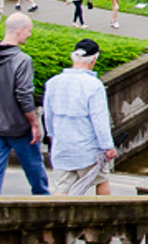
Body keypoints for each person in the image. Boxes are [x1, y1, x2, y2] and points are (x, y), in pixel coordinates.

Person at [0, 13, 49, 195]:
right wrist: (34, 123)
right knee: (34, 169)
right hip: (18, 126)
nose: (30, 35)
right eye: (29, 31)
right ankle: (44, 203)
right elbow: (24, 96)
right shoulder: (22, 60)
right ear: (19, 31)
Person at [44, 38, 117, 195]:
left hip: (62, 146)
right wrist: (108, 146)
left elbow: (48, 117)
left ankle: (60, 218)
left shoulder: (53, 83)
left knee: (62, 188)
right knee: (101, 180)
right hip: (88, 149)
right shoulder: (94, 85)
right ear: (94, 59)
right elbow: (99, 120)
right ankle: (105, 216)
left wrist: (52, 137)